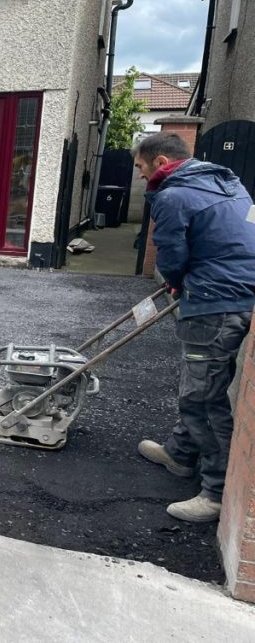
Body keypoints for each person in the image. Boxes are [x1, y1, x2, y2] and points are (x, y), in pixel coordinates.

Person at [132, 132, 255, 522]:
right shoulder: (231, 184)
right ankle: (181, 452)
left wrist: (178, 282)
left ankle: (215, 492)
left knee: (202, 396)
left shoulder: (173, 196)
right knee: (201, 380)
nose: (139, 176)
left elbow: (170, 255)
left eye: (140, 167)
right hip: (239, 295)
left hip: (214, 303)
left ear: (161, 162)